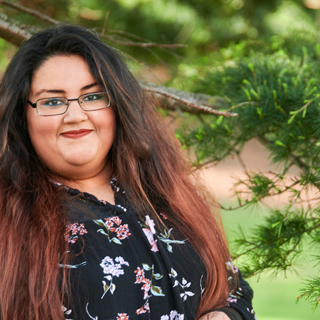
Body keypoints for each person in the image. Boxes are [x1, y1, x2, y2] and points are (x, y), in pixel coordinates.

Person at [0, 24, 256, 320]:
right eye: (52, 102)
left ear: (117, 105)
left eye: (93, 96)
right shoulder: (9, 218)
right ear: (22, 116)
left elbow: (234, 291)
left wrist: (225, 316)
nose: (75, 115)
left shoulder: (166, 193)